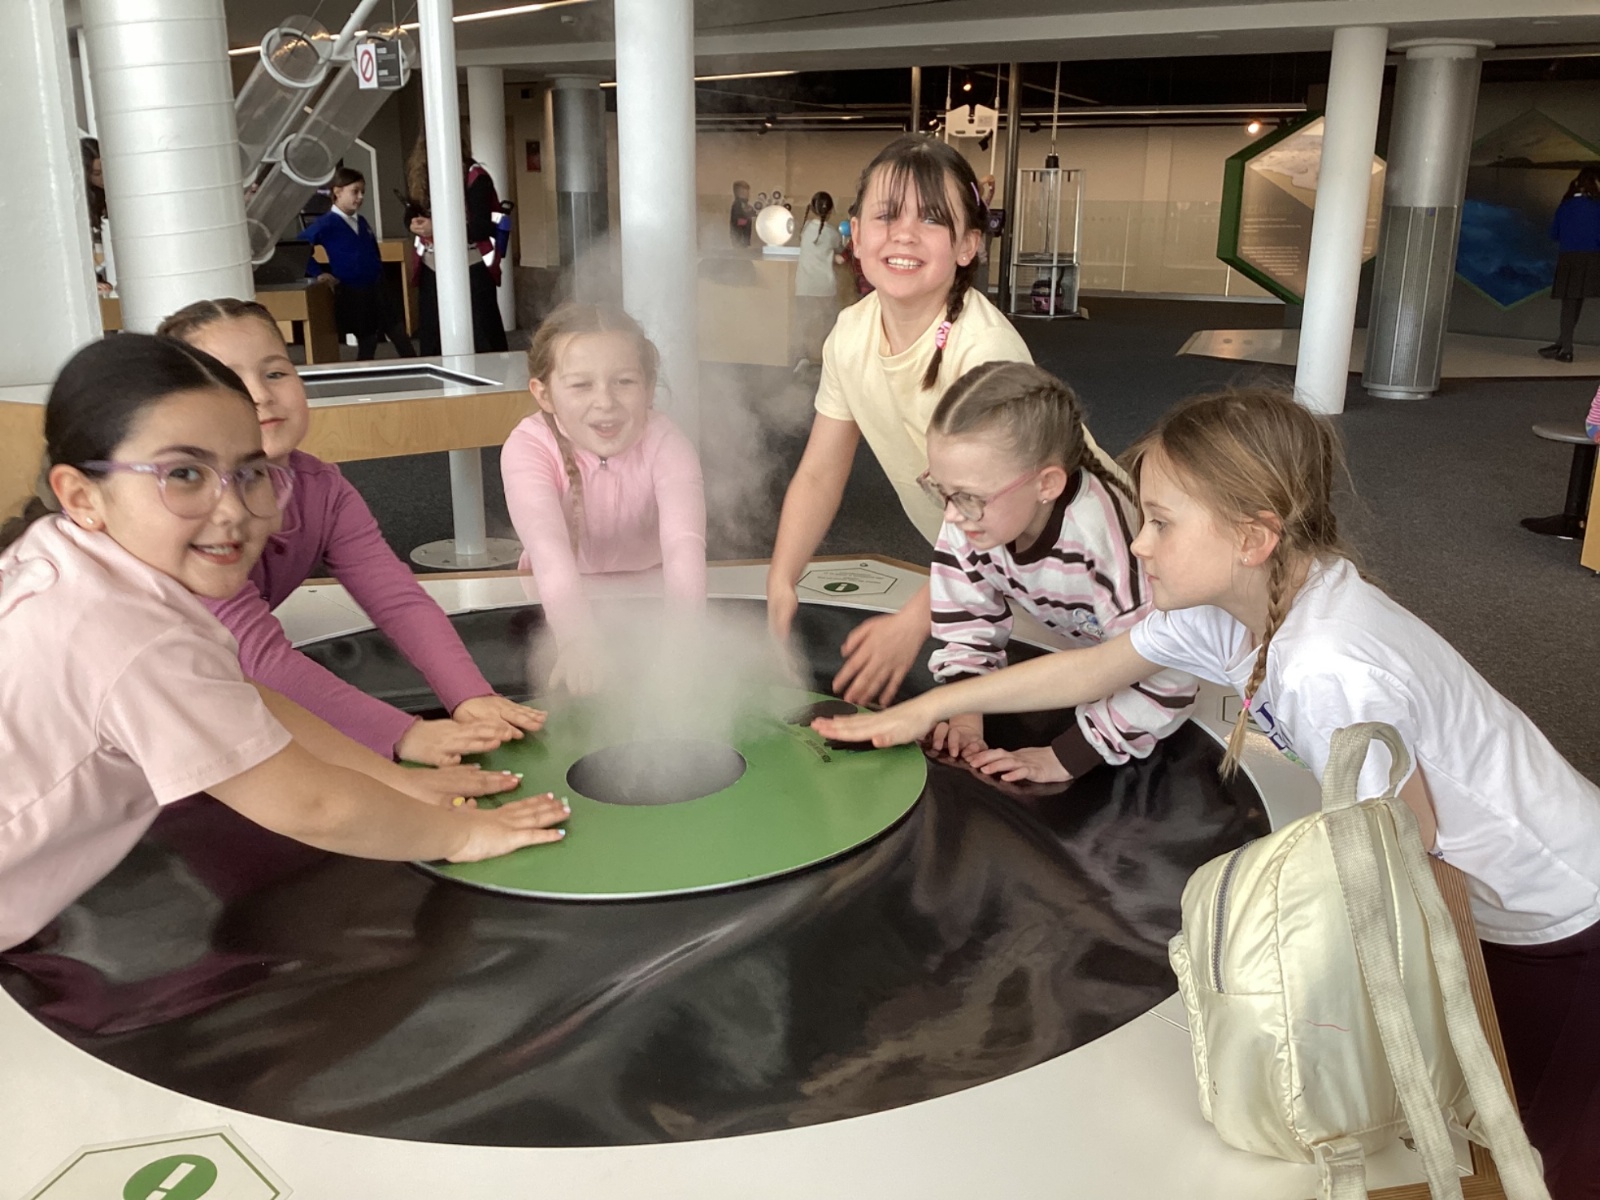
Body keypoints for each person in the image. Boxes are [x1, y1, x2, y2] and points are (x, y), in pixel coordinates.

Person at [814, 386, 1600, 1200]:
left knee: (1544, 1143)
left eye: (1160, 522)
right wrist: (926, 709)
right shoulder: (1240, 605)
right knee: (1504, 1105)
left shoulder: (1327, 666)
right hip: (1508, 904)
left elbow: (1408, 844)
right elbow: (1092, 669)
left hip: (1555, 913)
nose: (1139, 544)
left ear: (1254, 537)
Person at [0, 334, 571, 953]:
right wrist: (460, 835)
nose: (232, 509)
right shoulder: (134, 637)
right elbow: (312, 806)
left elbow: (248, 693)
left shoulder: (68, 556)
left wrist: (393, 779)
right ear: (82, 496)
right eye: (183, 474)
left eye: (250, 473)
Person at [765, 134, 1115, 706]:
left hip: (1087, 550)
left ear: (968, 245)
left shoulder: (981, 351)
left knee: (1133, 692)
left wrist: (915, 620)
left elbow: (1008, 504)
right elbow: (820, 473)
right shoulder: (850, 334)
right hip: (995, 560)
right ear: (856, 232)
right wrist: (783, 578)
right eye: (886, 214)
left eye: (931, 218)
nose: (904, 233)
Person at [158, 298, 542, 765]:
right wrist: (401, 734)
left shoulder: (322, 490)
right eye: (230, 381)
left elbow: (397, 600)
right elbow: (258, 657)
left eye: (275, 372)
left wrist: (469, 695)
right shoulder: (190, 512)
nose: (260, 394)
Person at [921, 362, 1196, 784]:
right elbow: (966, 620)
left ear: (1047, 484)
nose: (951, 514)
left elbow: (1170, 677)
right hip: (1095, 644)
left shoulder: (1100, 537)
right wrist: (965, 714)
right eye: (940, 489)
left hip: (1192, 655)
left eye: (969, 497)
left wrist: (1067, 756)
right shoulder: (969, 514)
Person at [500, 302, 706, 693]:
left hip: (650, 590)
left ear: (649, 387)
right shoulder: (527, 447)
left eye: (624, 381)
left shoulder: (668, 442)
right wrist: (575, 639)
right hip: (550, 599)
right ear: (543, 394)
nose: (605, 401)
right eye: (581, 385)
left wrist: (686, 635)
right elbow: (547, 548)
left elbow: (685, 545)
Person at [405, 137, 509, 355]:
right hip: (431, 265)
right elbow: (411, 211)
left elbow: (481, 227)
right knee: (433, 337)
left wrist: (436, 228)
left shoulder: (476, 177)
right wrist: (413, 223)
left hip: (472, 265)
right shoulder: (421, 175)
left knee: (482, 335)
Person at [300, 166, 416, 361]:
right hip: (354, 289)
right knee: (368, 338)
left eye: (362, 192)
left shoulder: (361, 221)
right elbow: (300, 249)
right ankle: (364, 373)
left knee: (398, 333)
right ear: (337, 192)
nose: (360, 197)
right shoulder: (326, 223)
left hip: (377, 285)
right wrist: (318, 272)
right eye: (355, 191)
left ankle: (415, 368)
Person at [1541, 166, 1600, 364]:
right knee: (1577, 300)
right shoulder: (1597, 206)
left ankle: (1566, 348)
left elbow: (1554, 234)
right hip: (1593, 258)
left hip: (1569, 257)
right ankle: (1562, 343)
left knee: (1569, 302)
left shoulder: (1566, 206)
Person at [792, 190, 845, 369]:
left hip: (804, 286)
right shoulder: (832, 233)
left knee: (804, 325)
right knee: (827, 326)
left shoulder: (805, 229)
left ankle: (802, 359)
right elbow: (840, 251)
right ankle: (827, 363)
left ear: (812, 209)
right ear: (830, 211)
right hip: (825, 287)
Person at [729, 180, 755, 247]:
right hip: (740, 239)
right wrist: (749, 220)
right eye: (745, 191)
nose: (748, 194)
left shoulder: (744, 205)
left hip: (742, 238)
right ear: (739, 193)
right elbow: (737, 221)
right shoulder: (737, 205)